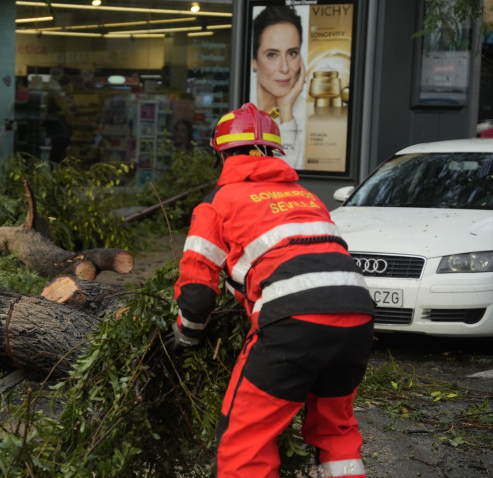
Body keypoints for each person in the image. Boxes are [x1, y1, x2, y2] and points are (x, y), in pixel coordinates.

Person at [169, 103, 374, 478]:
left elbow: (197, 296)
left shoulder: (218, 204)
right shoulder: (309, 199)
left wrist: (185, 337)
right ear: (275, 153)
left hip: (291, 323)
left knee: (244, 445)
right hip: (357, 315)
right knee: (336, 430)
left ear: (223, 154)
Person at [251, 5, 307, 170]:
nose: (284, 68)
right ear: (254, 60)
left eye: (292, 53)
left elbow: (289, 171)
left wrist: (285, 108)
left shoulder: (306, 113)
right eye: (272, 55)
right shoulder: (241, 108)